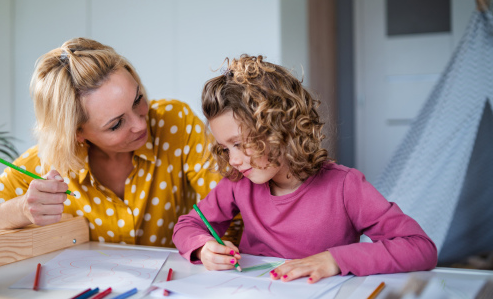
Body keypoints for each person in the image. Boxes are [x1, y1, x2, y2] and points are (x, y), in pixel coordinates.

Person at [0, 37, 243, 247]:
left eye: (138, 99)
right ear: (77, 133)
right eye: (116, 124)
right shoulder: (48, 162)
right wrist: (18, 210)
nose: (141, 123)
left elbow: (235, 207)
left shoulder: (173, 122)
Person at [172, 54, 437, 283]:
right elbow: (188, 225)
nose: (233, 160)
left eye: (240, 144)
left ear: (281, 127)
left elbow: (420, 248)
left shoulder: (345, 186)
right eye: (226, 148)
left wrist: (333, 259)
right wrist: (202, 247)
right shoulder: (237, 183)